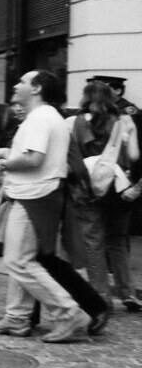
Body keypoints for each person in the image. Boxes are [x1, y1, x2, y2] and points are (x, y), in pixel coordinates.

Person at [0, 70, 92, 343]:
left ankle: (69, 313)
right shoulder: (45, 116)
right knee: (24, 260)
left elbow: (33, 159)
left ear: (36, 88)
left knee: (18, 261)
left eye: (22, 82)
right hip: (37, 195)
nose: (16, 85)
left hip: (35, 196)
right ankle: (17, 317)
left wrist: (1, 164)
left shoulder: (41, 117)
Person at [67, 81, 140, 313]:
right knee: (118, 240)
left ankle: (101, 296)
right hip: (118, 189)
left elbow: (69, 157)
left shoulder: (73, 122)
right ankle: (127, 291)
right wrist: (133, 130)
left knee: (93, 242)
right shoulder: (122, 121)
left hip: (86, 189)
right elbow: (134, 156)